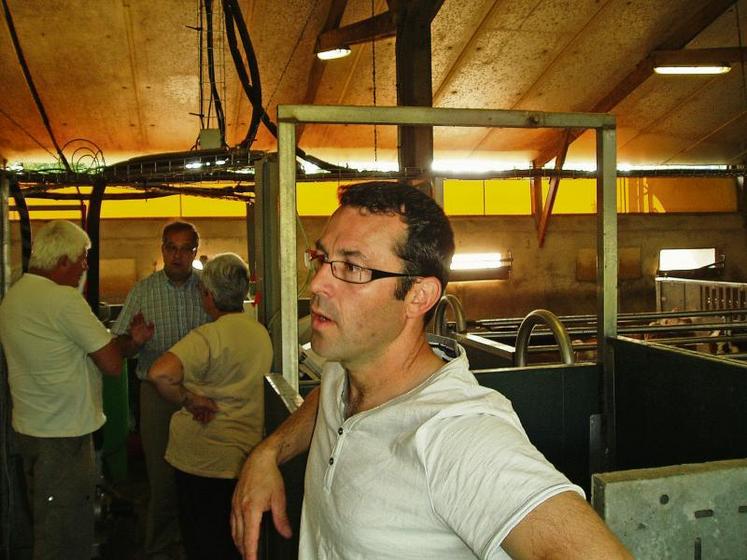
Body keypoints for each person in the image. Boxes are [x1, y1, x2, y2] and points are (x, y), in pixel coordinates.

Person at [230, 182, 632, 559]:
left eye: (352, 268)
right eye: (321, 258)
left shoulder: (456, 433)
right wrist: (268, 452)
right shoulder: (348, 368)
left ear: (418, 297)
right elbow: (326, 401)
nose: (317, 282)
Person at [0, 220, 154, 560]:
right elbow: (112, 364)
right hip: (64, 438)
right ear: (63, 260)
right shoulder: (63, 300)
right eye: (83, 258)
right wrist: (131, 342)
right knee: (66, 537)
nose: (85, 266)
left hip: (31, 431)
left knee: (46, 524)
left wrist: (127, 341)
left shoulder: (15, 295)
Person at [148, 253, 273, 560]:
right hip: (244, 455)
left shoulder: (208, 336)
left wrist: (190, 399)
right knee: (236, 540)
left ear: (208, 294)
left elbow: (160, 373)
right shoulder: (259, 333)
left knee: (203, 540)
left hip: (202, 460)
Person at [112, 221, 210, 559]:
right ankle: (159, 548)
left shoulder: (207, 290)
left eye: (185, 248)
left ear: (195, 251)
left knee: (201, 472)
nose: (177, 255)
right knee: (162, 476)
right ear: (162, 249)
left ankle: (195, 544)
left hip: (201, 393)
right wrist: (134, 342)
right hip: (156, 394)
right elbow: (119, 348)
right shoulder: (143, 291)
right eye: (171, 247)